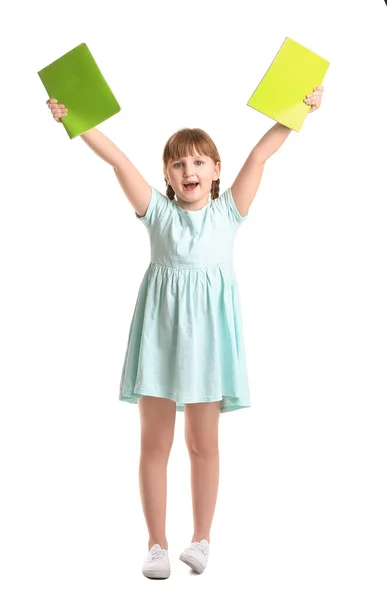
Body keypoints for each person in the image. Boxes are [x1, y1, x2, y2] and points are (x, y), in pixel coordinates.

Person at [46, 86, 324, 578]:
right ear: (167, 177)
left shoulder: (228, 212)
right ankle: (156, 543)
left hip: (209, 345)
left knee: (203, 444)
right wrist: (76, 121)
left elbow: (261, 153)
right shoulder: (156, 212)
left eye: (198, 162)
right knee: (155, 444)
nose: (188, 171)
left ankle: (201, 540)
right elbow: (118, 162)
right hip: (160, 337)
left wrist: (299, 108)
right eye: (177, 165)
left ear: (216, 170)